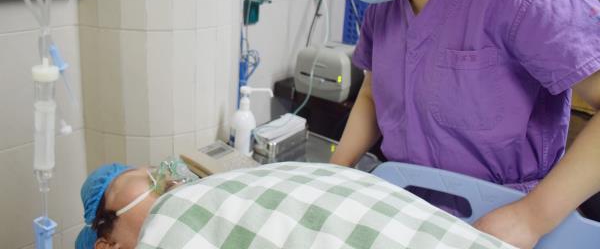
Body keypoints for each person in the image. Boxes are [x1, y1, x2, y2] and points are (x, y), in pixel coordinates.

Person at [310, 0, 600, 247]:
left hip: (506, 220)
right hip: (411, 212)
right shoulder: (386, 4)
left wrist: (532, 217)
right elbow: (374, 94)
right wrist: (335, 175)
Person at [76, 161, 515, 249]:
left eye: (160, 173)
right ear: (106, 244)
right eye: (149, 185)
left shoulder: (233, 193)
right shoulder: (171, 232)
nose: (168, 183)